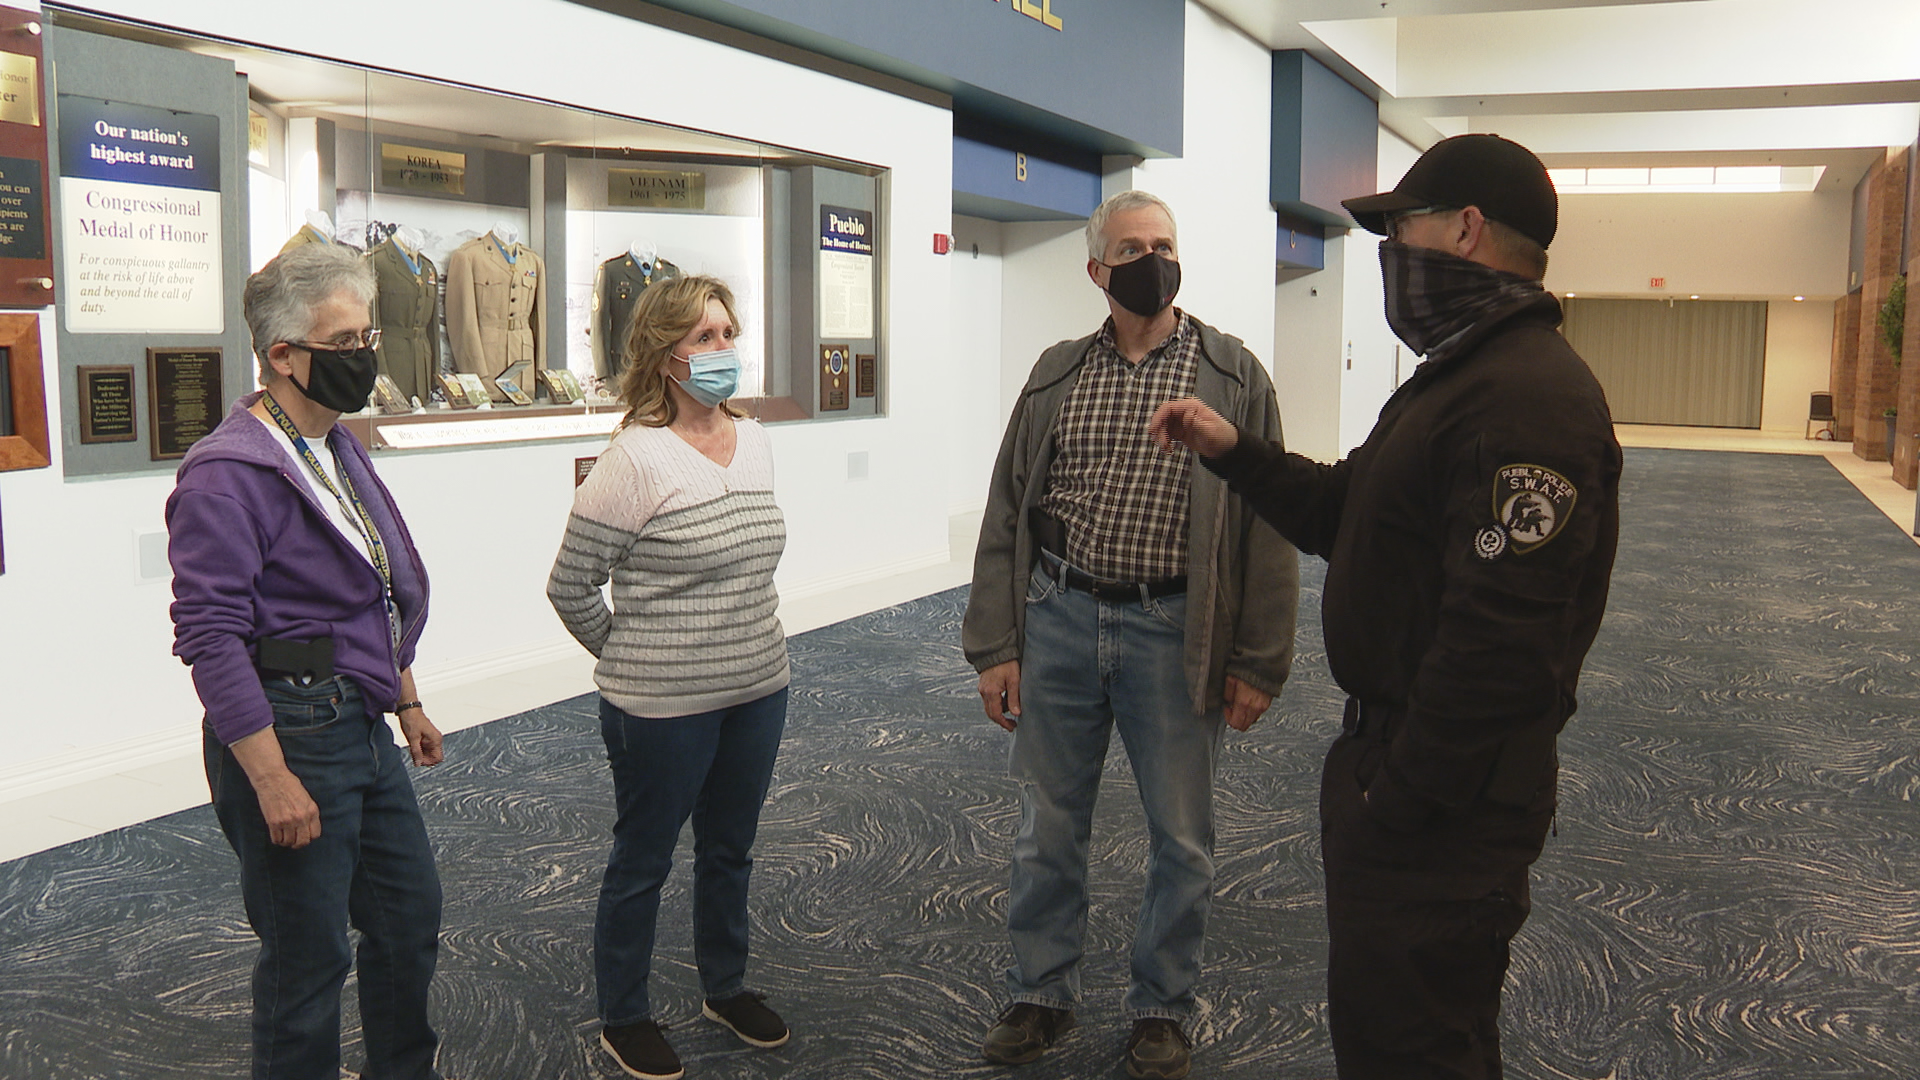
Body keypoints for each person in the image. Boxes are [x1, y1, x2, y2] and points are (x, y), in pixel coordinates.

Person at [1149, 134, 1622, 1079]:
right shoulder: (1458, 382)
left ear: (1466, 230)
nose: (1390, 253)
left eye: (1400, 229)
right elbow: (1346, 511)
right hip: (1411, 780)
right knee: (1388, 1030)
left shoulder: (1526, 402)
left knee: (1417, 1045)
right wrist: (1233, 450)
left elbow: (1501, 648)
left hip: (1444, 806)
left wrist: (1397, 801)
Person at [964, 190, 1299, 1080]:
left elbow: (1270, 528)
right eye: (1133, 248)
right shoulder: (1057, 372)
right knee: (1046, 826)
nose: (1152, 260)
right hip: (1060, 618)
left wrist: (1260, 659)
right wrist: (996, 644)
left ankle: (1162, 1004)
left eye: (1165, 245)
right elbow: (1008, 513)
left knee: (1180, 836)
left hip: (1173, 628)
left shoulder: (1233, 375)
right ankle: (1040, 991)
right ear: (1097, 271)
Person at [167, 243, 445, 1080]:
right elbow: (210, 638)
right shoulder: (226, 473)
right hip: (288, 729)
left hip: (358, 717)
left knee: (407, 919)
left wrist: (406, 697)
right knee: (307, 957)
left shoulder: (332, 443)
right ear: (281, 354)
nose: (367, 356)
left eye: (368, 336)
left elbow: (369, 584)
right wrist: (270, 777)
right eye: (346, 341)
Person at [547, 274, 791, 1080]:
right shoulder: (634, 460)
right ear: (664, 356)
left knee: (730, 849)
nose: (724, 351)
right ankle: (626, 1013)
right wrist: (630, 658)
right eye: (704, 339)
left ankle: (726, 985)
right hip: (661, 707)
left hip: (758, 689)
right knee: (643, 859)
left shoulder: (752, 439)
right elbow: (571, 585)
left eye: (728, 334)